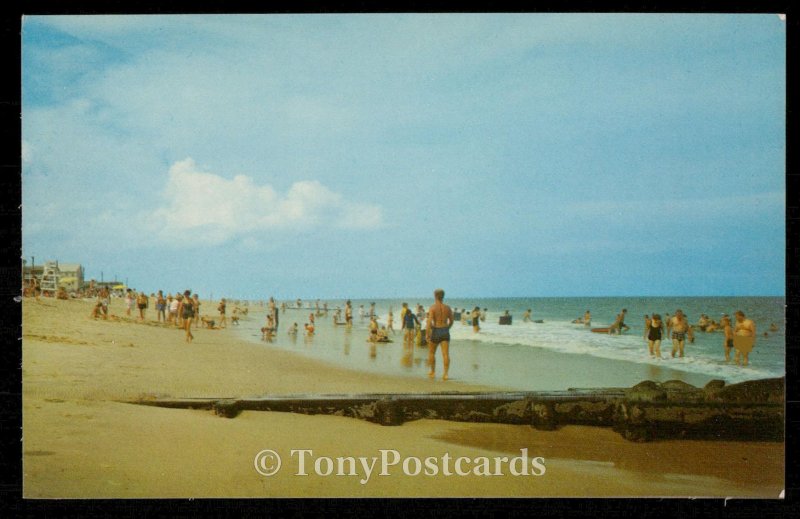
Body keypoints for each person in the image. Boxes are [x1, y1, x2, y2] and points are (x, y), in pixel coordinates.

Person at [426, 288, 454, 380]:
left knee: (431, 353)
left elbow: (429, 321)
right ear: (443, 296)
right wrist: (447, 328)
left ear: (435, 296)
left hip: (436, 330)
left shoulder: (433, 307)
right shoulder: (448, 307)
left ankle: (433, 372)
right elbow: (452, 321)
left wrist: (427, 333)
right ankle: (446, 374)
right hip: (445, 330)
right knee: (445, 354)